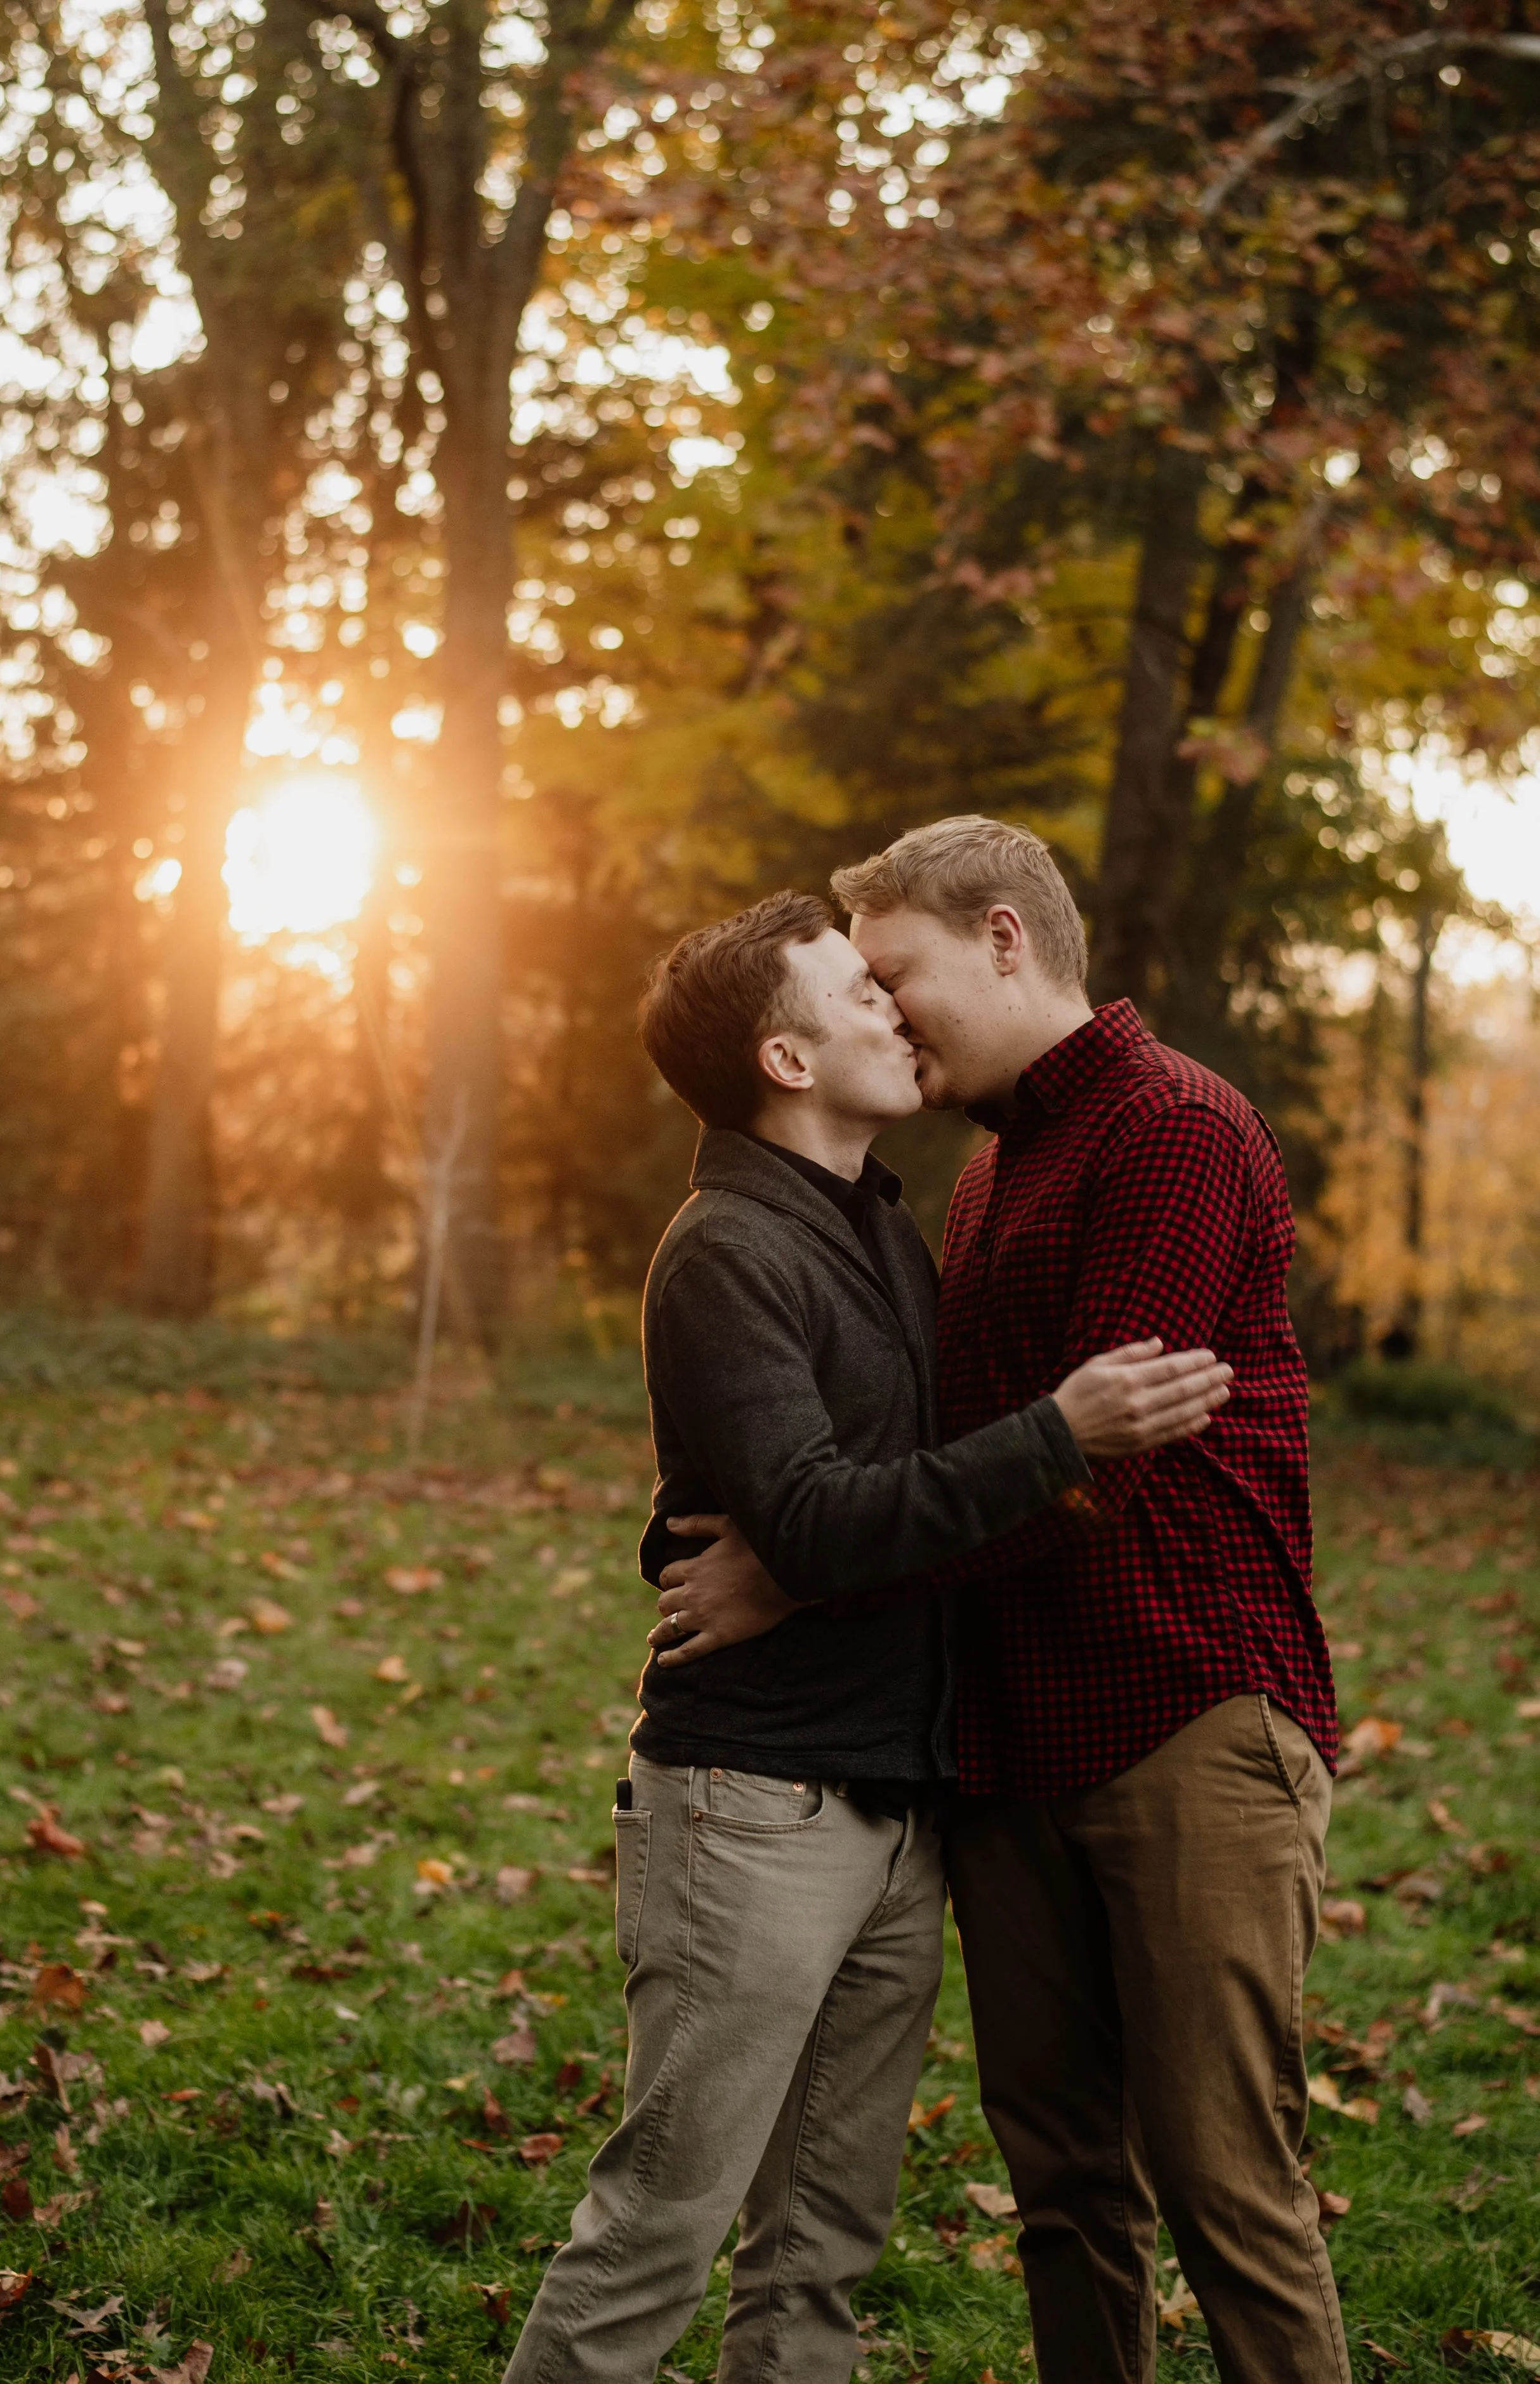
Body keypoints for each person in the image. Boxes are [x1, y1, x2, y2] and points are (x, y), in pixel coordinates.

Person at [502, 886, 1230, 2384]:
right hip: (754, 1811)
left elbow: (857, 1512)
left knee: (819, 2252)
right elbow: (825, 1518)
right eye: (856, 994)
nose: (895, 1010)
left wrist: (809, 1559)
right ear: (783, 1061)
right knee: (659, 2230)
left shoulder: (884, 1229)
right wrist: (1060, 1433)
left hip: (894, 1810)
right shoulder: (725, 1255)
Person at [651, 819, 1346, 2384]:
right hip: (1015, 1742)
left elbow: (1100, 1475)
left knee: (1228, 2191)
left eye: (898, 976)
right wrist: (815, 1539)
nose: (889, 1015)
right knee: (1064, 2190)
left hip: (1187, 1718)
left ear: (1006, 944)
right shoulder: (984, 1181)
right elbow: (963, 1459)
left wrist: (795, 1568)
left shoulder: (1175, 1129)